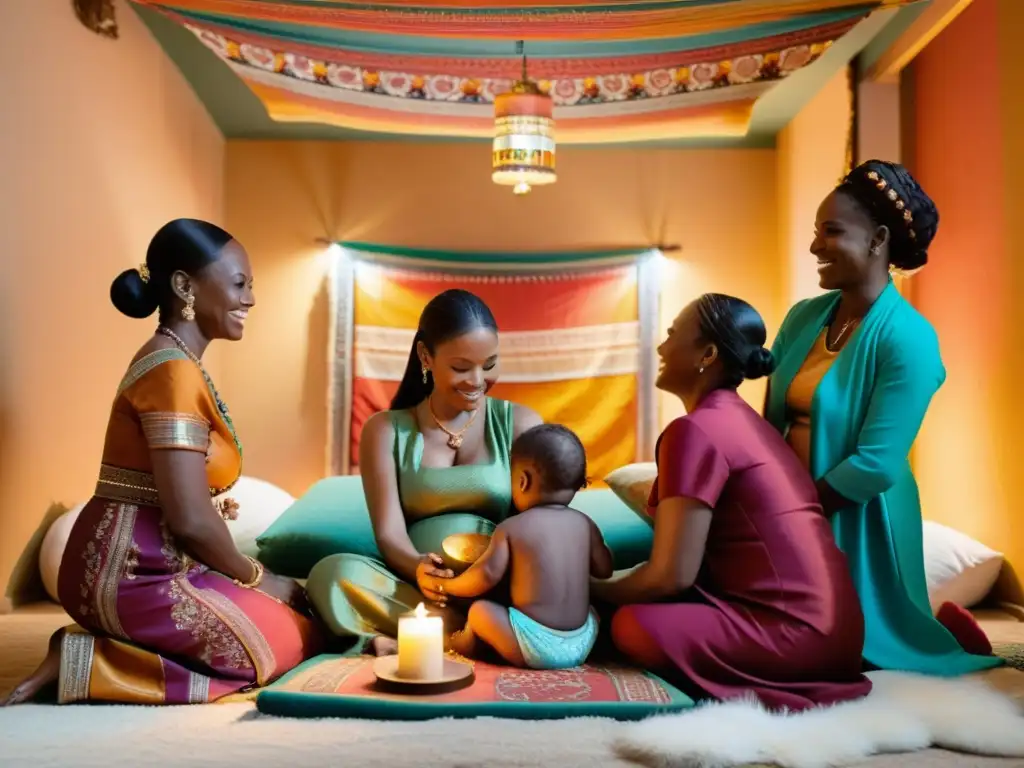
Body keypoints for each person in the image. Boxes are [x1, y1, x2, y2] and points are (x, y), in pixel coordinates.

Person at [2, 219, 322, 706]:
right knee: (286, 644)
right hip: (126, 574)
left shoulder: (179, 363)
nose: (251, 299)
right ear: (184, 286)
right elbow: (189, 520)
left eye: (250, 286)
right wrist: (259, 575)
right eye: (239, 284)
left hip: (168, 565)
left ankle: (111, 649)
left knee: (302, 622)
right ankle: (89, 664)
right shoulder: (171, 371)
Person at [764, 159, 1002, 674]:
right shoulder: (805, 316)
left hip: (855, 516)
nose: (814, 247)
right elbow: (769, 423)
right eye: (814, 231)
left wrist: (793, 515)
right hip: (784, 511)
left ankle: (939, 631)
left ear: (877, 239)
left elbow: (875, 464)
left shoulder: (909, 338)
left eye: (830, 232)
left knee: (842, 655)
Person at [595, 294, 873, 712]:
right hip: (843, 635)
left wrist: (592, 589)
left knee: (631, 625)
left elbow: (671, 576)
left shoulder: (696, 431)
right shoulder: (745, 422)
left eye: (672, 335)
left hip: (798, 638)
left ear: (707, 354)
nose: (661, 347)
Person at [304, 289, 543, 654]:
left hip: (497, 587)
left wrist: (490, 576)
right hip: (416, 591)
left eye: (490, 364)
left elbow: (540, 526)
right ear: (425, 356)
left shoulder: (519, 424)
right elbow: (388, 533)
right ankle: (453, 633)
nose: (477, 380)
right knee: (332, 574)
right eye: (462, 367)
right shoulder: (385, 430)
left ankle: (451, 631)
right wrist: (417, 567)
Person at [421, 423, 613, 669]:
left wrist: (446, 585)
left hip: (535, 647)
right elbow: (604, 569)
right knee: (593, 611)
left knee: (480, 612)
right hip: (581, 642)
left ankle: (464, 643)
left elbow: (485, 576)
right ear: (579, 484)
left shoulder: (512, 528)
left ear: (522, 481)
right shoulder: (586, 524)